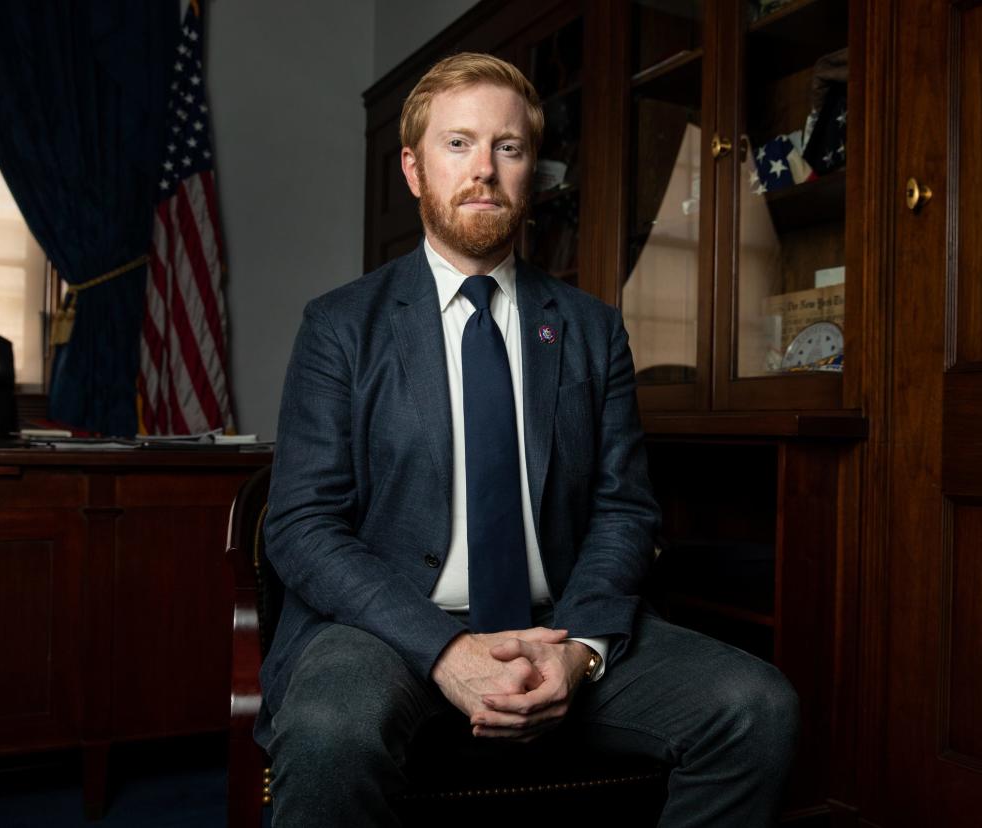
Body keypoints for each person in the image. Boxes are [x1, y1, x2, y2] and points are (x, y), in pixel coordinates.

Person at [257, 51, 799, 826]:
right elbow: (302, 526)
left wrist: (576, 651)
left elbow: (623, 511)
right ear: (413, 170)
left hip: (559, 622)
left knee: (758, 708)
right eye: (458, 144)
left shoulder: (590, 328)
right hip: (386, 631)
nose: (484, 168)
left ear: (532, 171)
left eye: (508, 148)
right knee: (330, 730)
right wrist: (445, 653)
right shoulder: (341, 326)